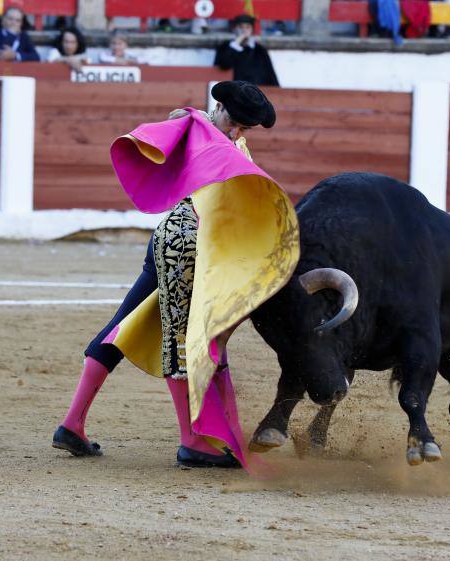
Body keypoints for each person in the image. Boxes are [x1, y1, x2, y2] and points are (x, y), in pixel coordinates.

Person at [52, 81, 280, 469]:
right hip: (182, 247)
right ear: (218, 105)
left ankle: (72, 424)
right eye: (232, 122)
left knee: (124, 326)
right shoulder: (194, 127)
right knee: (187, 339)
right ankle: (193, 441)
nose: (235, 132)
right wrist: (190, 116)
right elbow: (165, 139)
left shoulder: (229, 139)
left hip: (182, 244)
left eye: (244, 128)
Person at [214, 14, 279, 86]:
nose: (244, 30)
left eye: (247, 27)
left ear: (252, 30)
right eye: (240, 27)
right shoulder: (225, 47)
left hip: (255, 92)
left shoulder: (260, 50)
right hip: (233, 93)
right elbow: (224, 65)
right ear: (234, 29)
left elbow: (271, 75)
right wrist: (237, 43)